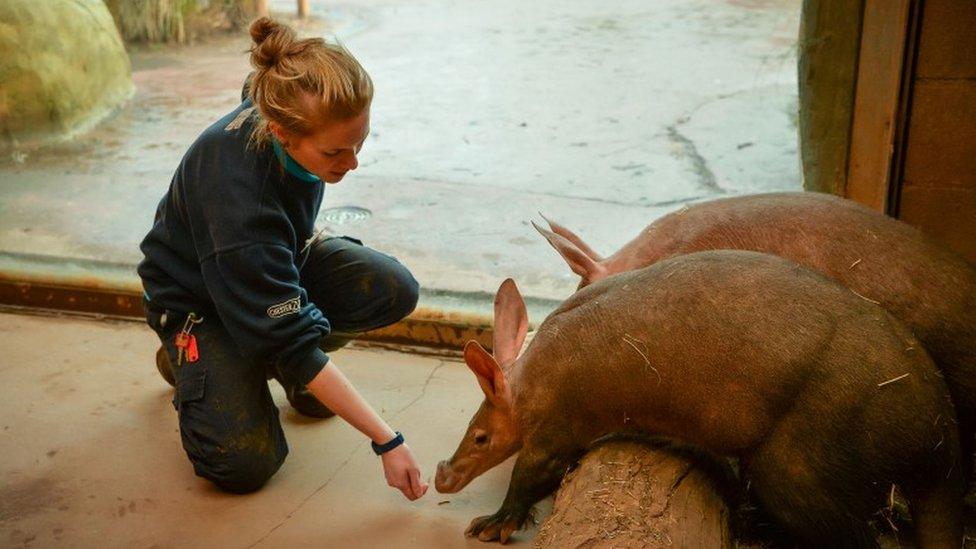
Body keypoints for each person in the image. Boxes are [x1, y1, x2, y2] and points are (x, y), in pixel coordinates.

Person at [138, 16, 428, 499]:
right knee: (244, 464)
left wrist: (289, 331)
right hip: (200, 302)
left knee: (392, 287)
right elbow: (291, 339)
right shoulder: (240, 203)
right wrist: (386, 439)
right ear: (280, 131)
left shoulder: (278, 96)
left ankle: (284, 365)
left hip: (270, 267)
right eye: (336, 152)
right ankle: (189, 358)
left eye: (360, 142)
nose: (352, 162)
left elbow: (263, 82)